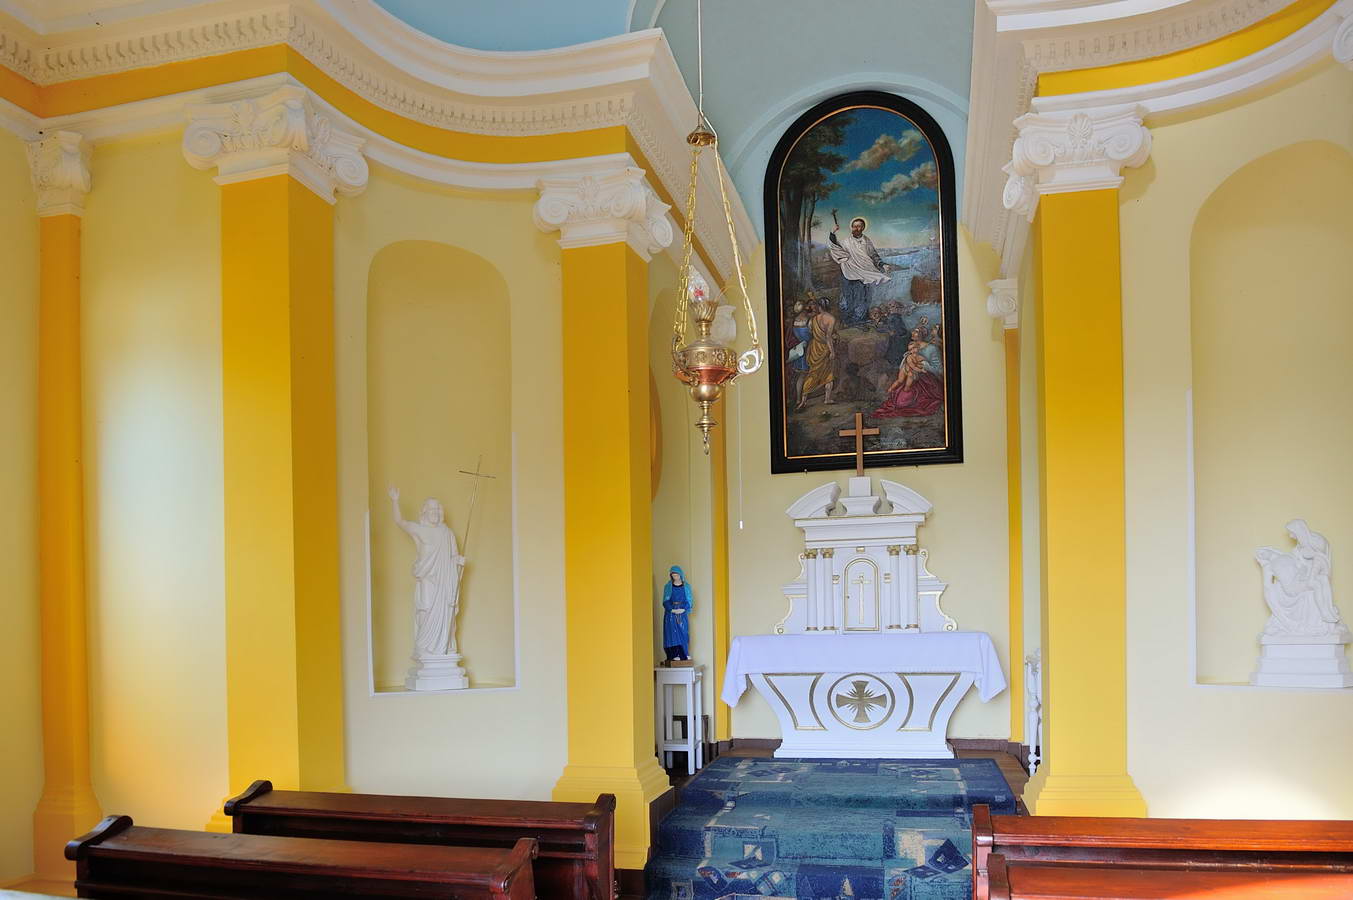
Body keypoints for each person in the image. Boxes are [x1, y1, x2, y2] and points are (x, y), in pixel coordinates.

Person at [389, 487, 466, 657]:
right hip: (427, 580)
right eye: (431, 509)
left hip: (445, 581)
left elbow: (453, 556)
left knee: (446, 613)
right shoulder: (419, 530)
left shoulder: (447, 533)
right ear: (424, 512)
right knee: (426, 609)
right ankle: (425, 648)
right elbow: (400, 522)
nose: (435, 512)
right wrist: (395, 500)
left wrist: (458, 562)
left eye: (437, 509)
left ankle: (445, 646)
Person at [826, 216, 889, 324]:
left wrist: (882, 264)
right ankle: (847, 319)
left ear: (863, 228)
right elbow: (835, 248)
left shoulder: (866, 241)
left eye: (859, 226)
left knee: (863, 297)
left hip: (864, 274)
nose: (856, 228)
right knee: (848, 297)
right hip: (848, 273)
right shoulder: (846, 242)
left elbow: (873, 255)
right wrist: (833, 232)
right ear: (851, 227)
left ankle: (859, 318)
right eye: (854, 226)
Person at [872, 324, 944, 418]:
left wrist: (923, 365)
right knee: (900, 401)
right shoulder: (911, 346)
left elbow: (939, 369)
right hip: (910, 377)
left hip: (926, 384)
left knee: (907, 402)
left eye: (916, 331)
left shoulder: (931, 348)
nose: (912, 333)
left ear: (922, 334)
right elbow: (907, 363)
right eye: (913, 331)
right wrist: (908, 365)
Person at [796, 298, 838, 410]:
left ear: (819, 306)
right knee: (828, 374)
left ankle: (803, 400)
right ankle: (827, 399)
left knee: (812, 374)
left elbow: (811, 332)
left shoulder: (813, 319)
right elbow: (828, 337)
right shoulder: (831, 319)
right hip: (825, 349)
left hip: (814, 348)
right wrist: (832, 351)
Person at [662, 566, 692, 663]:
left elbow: (689, 600)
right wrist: (672, 610)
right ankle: (675, 654)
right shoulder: (668, 587)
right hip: (671, 615)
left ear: (680, 575)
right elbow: (665, 601)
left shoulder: (686, 587)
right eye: (673, 575)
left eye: (677, 575)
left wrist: (683, 609)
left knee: (683, 632)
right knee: (672, 634)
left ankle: (684, 653)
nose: (675, 577)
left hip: (682, 614)